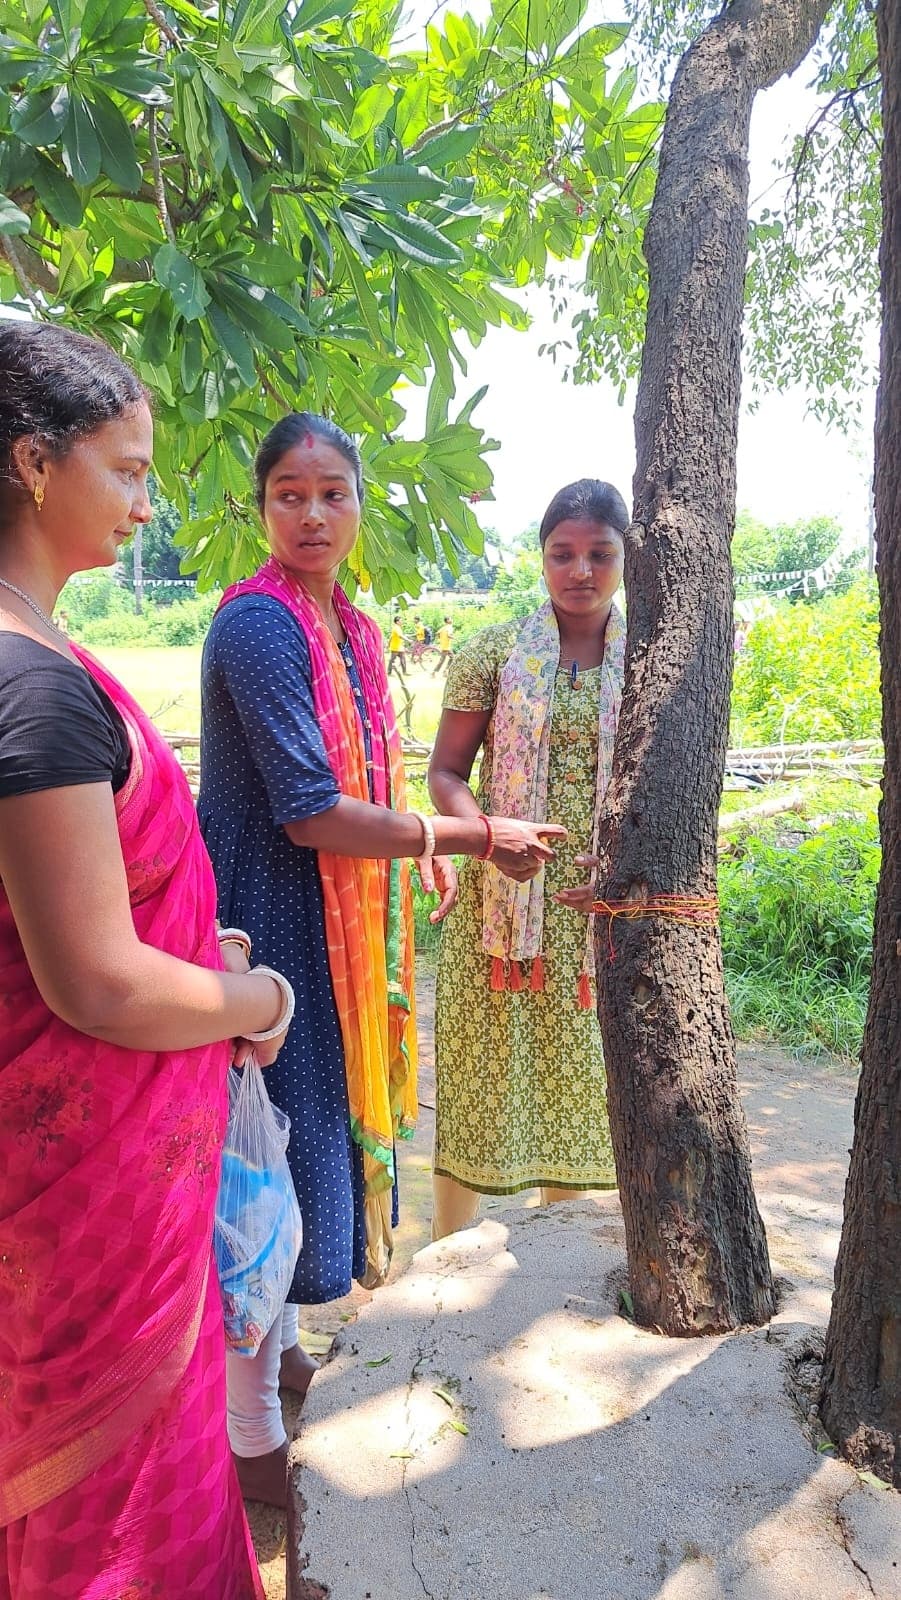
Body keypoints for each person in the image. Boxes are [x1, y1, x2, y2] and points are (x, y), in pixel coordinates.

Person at [198, 411, 564, 1507]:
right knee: (270, 1151)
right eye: (289, 495)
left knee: (312, 1132)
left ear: (360, 504)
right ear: (260, 509)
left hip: (336, 914)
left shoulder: (350, 628)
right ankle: (248, 1422)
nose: (313, 513)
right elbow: (310, 810)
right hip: (272, 910)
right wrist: (466, 835)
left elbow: (363, 775)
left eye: (333, 493)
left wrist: (413, 857)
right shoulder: (260, 628)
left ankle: (287, 1350)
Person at [0, 323, 295, 1599]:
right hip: (86, 1200)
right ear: (30, 463)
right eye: (123, 469)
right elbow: (96, 980)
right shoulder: (33, 684)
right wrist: (253, 995)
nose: (142, 499)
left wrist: (191, 942)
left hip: (84, 1168)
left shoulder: (33, 654)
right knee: (108, 1520)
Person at [428, 479, 627, 1239]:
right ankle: (442, 1267)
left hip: (598, 916)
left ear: (623, 559)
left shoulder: (647, 661)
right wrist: (485, 835)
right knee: (484, 1079)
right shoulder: (494, 653)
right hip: (500, 907)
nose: (580, 570)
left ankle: (562, 1263)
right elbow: (445, 771)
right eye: (562, 554)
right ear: (541, 559)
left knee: (579, 1085)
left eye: (598, 554)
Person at [386, 612, 407, 678]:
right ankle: (389, 672)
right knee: (392, 660)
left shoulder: (398, 628)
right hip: (395, 647)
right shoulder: (396, 628)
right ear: (397, 622)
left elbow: (391, 637)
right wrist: (408, 640)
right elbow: (400, 636)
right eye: (401, 621)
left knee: (403, 659)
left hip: (399, 647)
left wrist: (388, 644)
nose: (402, 622)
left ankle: (404, 672)